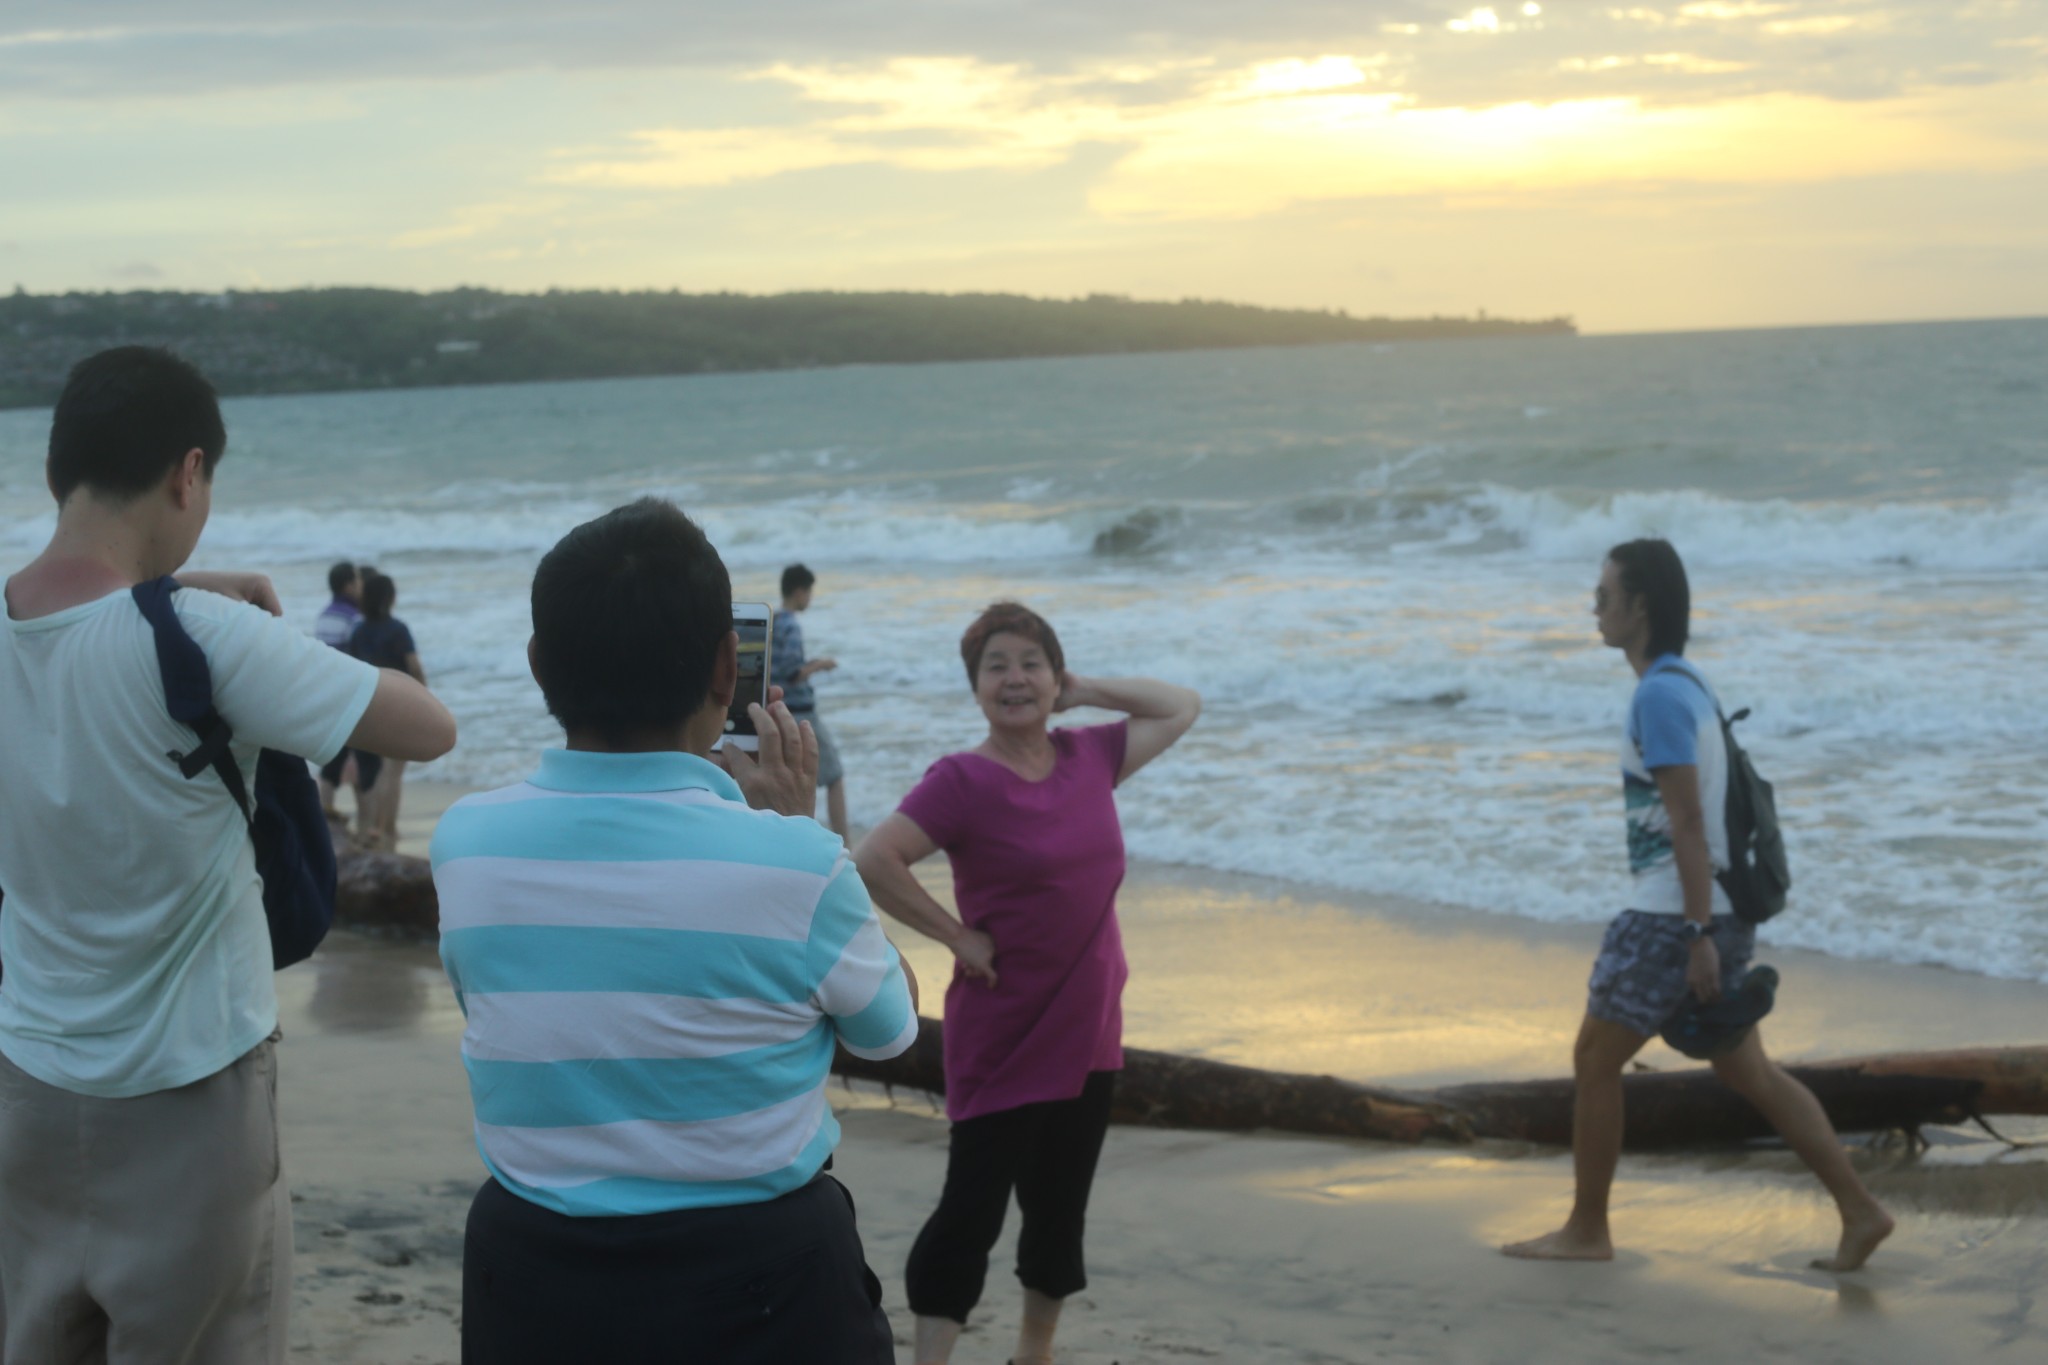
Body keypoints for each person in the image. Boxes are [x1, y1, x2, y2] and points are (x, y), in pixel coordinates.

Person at [0, 346, 456, 1363]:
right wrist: (224, 618)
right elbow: (428, 728)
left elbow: (70, 611)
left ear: (55, 474)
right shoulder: (205, 639)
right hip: (192, 1099)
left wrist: (170, 585)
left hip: (27, 1090)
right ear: (187, 473)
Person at [431, 497, 919, 1365]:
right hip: (763, 1283)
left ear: (542, 666)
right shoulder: (794, 864)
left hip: (535, 1276)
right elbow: (889, 1032)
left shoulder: (466, 842)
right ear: (728, 668)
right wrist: (801, 834)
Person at [1500, 538, 1894, 1270]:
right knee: (1750, 1072)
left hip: (1673, 916)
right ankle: (1861, 1210)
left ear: (1641, 605)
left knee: (1593, 1059)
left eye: (1606, 595)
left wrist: (1693, 933)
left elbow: (1687, 823)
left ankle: (1588, 1230)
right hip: (1707, 912)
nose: (1595, 608)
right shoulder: (1689, 683)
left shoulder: (1659, 695)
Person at [853, 601, 1200, 1365]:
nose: (1015, 678)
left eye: (1030, 663)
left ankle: (1032, 1356)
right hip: (1002, 1031)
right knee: (969, 1213)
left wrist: (1086, 688)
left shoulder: (1092, 757)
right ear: (975, 687)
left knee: (1057, 1212)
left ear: (1055, 675)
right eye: (996, 666)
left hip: (1090, 1026)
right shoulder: (962, 780)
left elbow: (1182, 705)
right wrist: (954, 933)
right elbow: (877, 858)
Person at [349, 571, 426, 849]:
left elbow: (351, 668)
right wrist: (424, 694)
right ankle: (387, 828)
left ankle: (369, 826)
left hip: (366, 703)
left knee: (369, 770)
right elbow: (414, 666)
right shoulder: (398, 630)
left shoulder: (358, 631)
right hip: (399, 702)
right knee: (392, 771)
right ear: (390, 598)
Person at [773, 562, 848, 841]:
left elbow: (779, 669)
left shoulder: (775, 622)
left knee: (792, 781)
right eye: (809, 592)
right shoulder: (791, 625)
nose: (810, 598)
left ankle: (794, 841)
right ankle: (846, 844)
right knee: (834, 775)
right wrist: (820, 665)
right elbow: (793, 672)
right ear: (799, 591)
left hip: (780, 712)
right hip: (802, 713)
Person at [314, 559, 382, 819]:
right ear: (347, 586)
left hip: (328, 696)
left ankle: (325, 818)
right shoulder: (354, 620)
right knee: (367, 766)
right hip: (352, 698)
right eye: (357, 581)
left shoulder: (324, 615)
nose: (361, 586)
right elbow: (359, 662)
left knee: (333, 761)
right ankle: (369, 829)